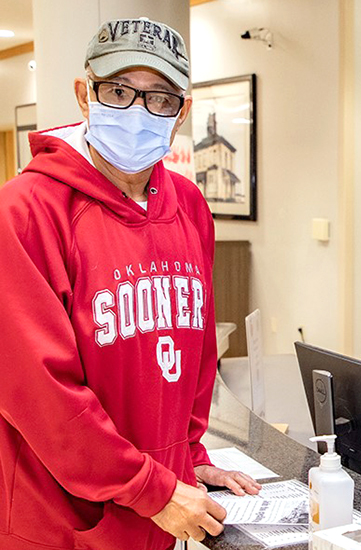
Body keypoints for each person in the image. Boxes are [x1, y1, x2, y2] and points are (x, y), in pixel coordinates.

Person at [0, 18, 260, 549]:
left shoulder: (188, 206)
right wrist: (154, 490)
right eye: (118, 91)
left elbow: (194, 354)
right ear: (84, 94)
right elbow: (43, 394)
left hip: (154, 515)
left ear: (182, 111)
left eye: (161, 98)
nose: (138, 113)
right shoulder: (25, 213)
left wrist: (188, 457)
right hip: (59, 522)